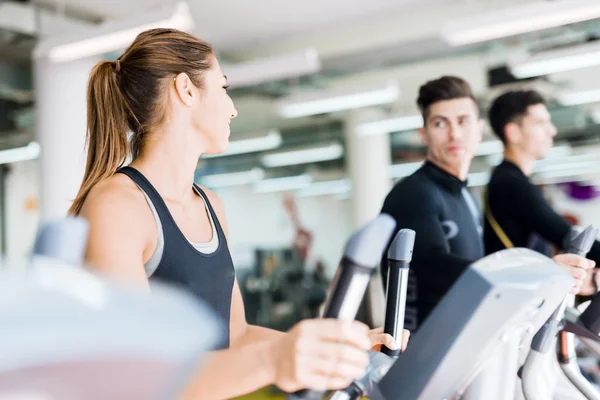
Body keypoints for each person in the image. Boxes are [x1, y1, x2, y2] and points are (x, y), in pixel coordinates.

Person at [69, 28, 404, 400]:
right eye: (224, 88)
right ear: (186, 89)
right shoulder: (118, 206)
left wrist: (333, 353)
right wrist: (274, 360)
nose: (233, 108)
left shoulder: (211, 205)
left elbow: (238, 335)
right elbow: (138, 376)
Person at [380, 76, 595, 332]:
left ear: (479, 130)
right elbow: (430, 267)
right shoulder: (414, 193)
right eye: (440, 123)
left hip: (465, 344)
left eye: (463, 121)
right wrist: (538, 273)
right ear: (424, 134)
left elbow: (481, 274)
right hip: (423, 353)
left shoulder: (465, 197)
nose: (454, 133)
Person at [485, 90, 600, 273]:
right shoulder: (511, 183)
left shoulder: (513, 179)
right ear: (513, 132)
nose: (551, 130)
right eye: (540, 123)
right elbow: (566, 235)